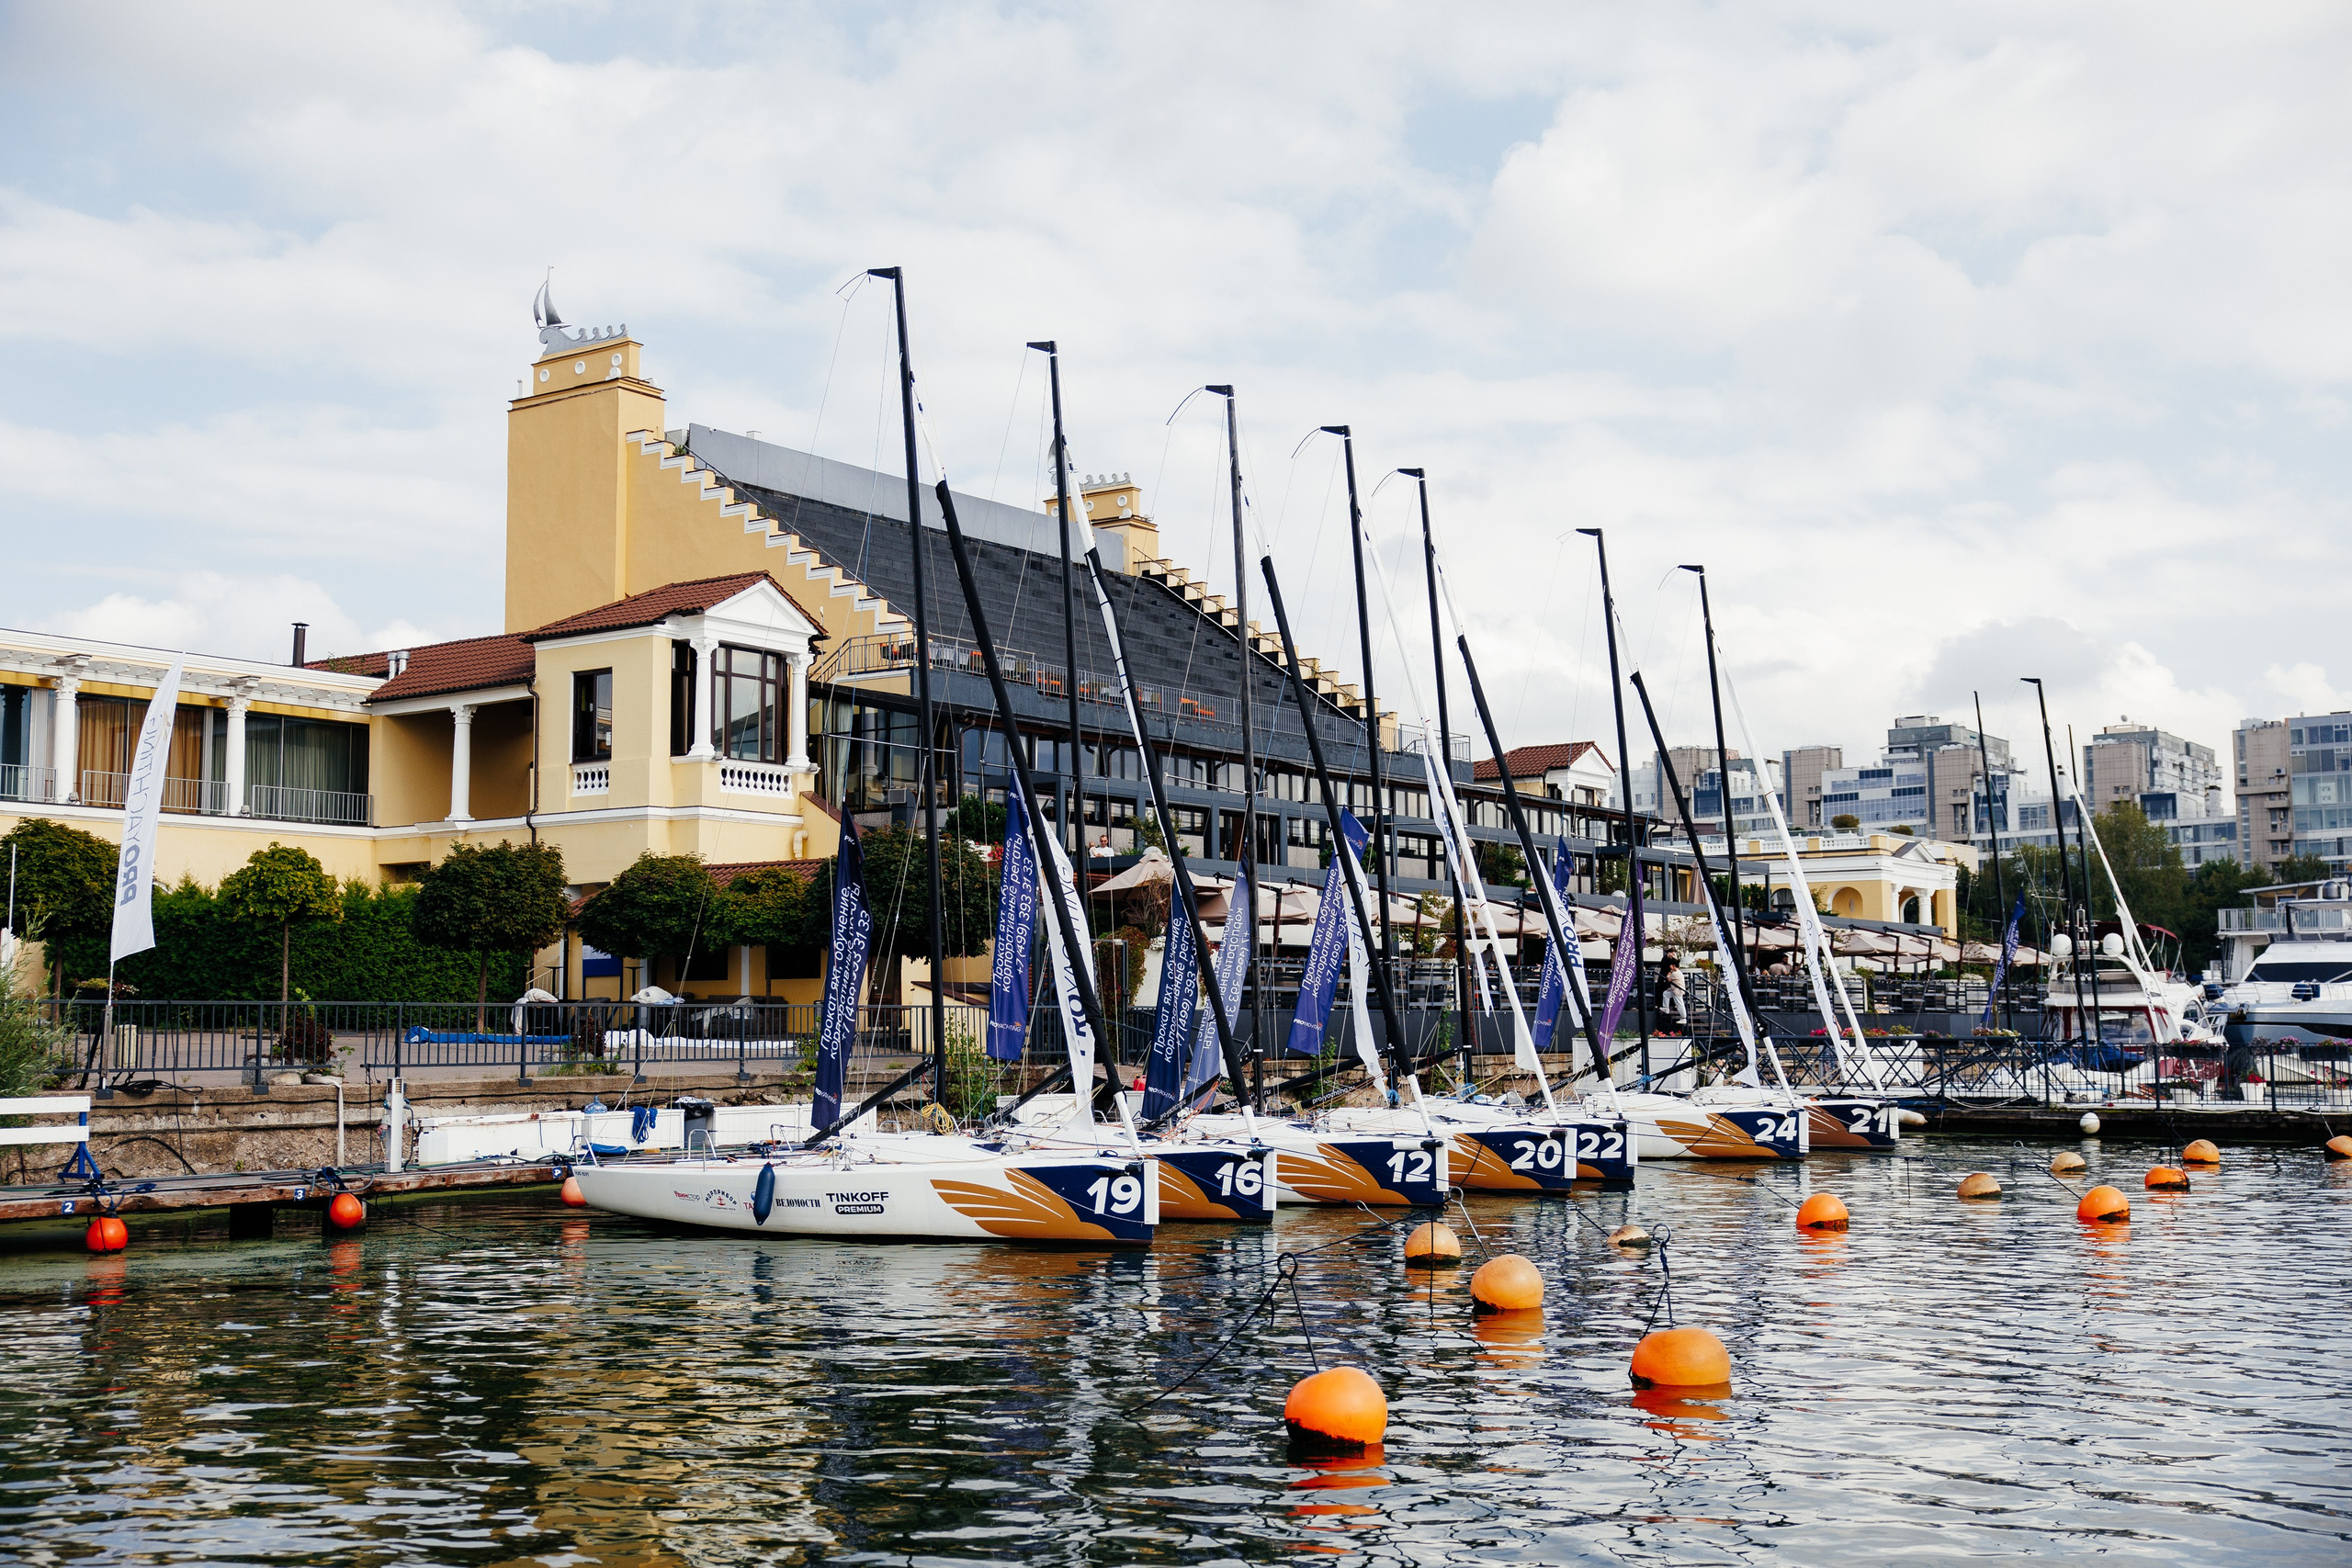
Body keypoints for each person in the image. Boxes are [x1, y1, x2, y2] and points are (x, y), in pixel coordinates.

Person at [1656, 950, 1687, 1034]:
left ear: (1673, 966)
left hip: (1677, 991)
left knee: (1680, 1004)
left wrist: (1669, 973)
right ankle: (1666, 1008)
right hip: (1673, 990)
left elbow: (1668, 978)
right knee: (1665, 994)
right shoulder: (1676, 970)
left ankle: (1684, 1018)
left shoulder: (1675, 973)